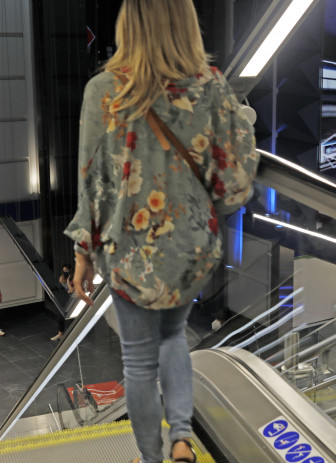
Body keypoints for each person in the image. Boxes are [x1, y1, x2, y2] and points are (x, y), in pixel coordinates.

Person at [65, 1, 258, 462]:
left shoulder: (104, 91)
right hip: (190, 248)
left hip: (130, 252)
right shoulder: (212, 87)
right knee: (174, 338)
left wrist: (83, 254)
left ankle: (153, 459)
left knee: (137, 359)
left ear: (128, 25)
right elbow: (235, 180)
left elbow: (90, 180)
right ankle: (182, 440)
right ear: (186, 24)